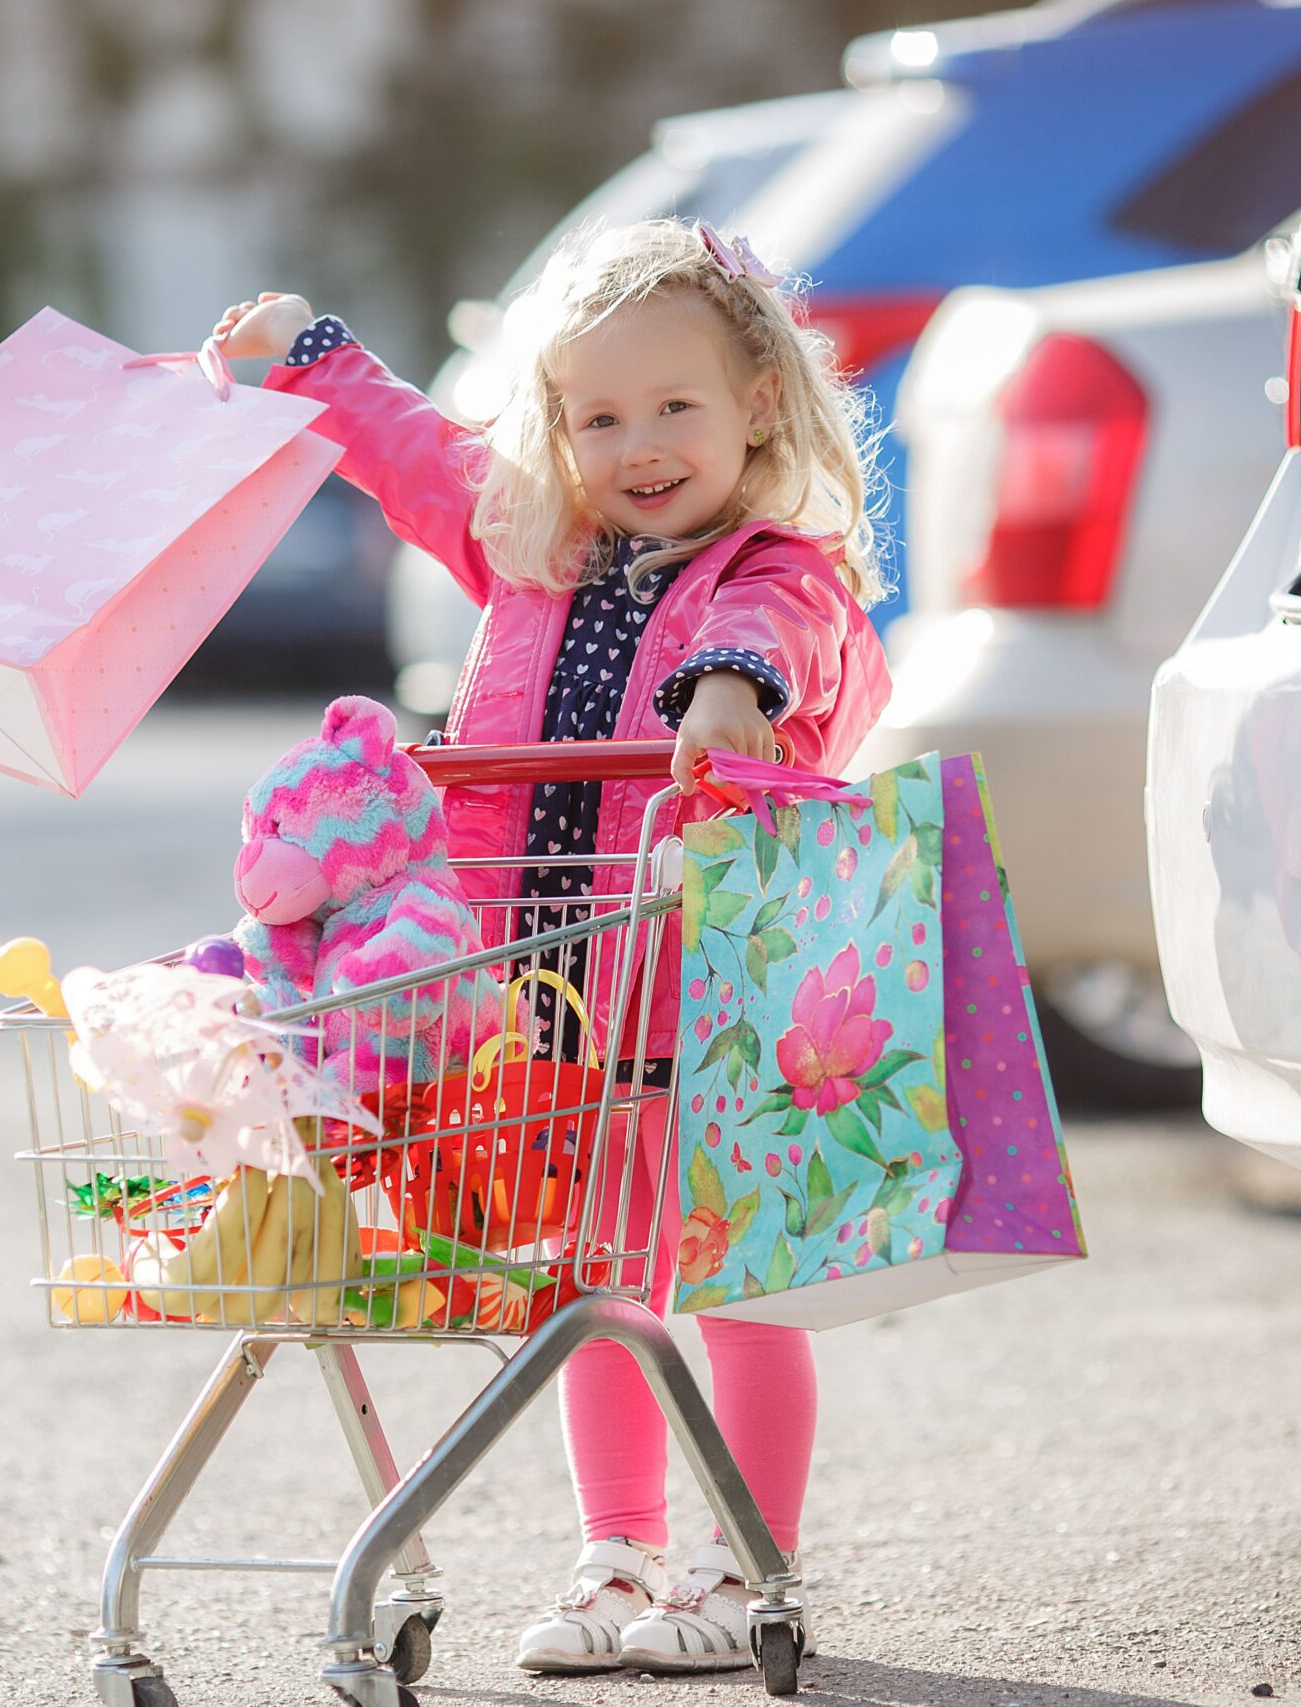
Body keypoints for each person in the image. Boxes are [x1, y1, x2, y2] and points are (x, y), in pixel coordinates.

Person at [209, 218, 892, 1675]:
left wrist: (727, 689)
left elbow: (791, 636)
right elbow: (414, 456)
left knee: (736, 1288)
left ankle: (741, 1568)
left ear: (759, 401)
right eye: (597, 417)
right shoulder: (535, 547)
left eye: (674, 408)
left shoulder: (779, 572)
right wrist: (306, 358)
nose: (638, 446)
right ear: (556, 427)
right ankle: (618, 1552)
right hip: (549, 1002)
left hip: (709, 1000)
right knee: (593, 1287)